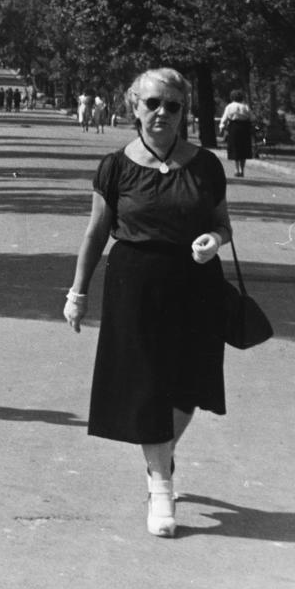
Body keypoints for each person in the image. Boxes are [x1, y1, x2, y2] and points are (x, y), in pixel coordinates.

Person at [63, 67, 233, 539]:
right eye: (152, 103)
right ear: (133, 106)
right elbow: (96, 232)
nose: (162, 113)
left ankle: (160, 454)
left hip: (196, 283)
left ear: (183, 111)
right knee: (148, 385)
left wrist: (215, 240)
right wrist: (77, 293)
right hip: (135, 285)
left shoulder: (206, 165)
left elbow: (223, 224)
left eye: (173, 105)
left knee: (189, 387)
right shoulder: (115, 166)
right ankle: (161, 486)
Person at [218, 89, 255, 178]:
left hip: (234, 128)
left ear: (232, 97)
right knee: (243, 149)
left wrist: (221, 127)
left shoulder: (229, 107)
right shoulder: (245, 107)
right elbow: (252, 118)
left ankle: (236, 169)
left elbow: (224, 118)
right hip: (245, 128)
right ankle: (242, 169)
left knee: (235, 148)